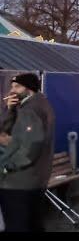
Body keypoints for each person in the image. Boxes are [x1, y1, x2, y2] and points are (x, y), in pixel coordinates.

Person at [0, 73, 55, 232]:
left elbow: (31, 145)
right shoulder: (37, 105)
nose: (12, 90)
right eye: (12, 86)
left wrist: (7, 166)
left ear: (29, 89)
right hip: (35, 178)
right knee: (33, 223)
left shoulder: (30, 110)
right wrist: (9, 109)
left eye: (17, 86)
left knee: (18, 225)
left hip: (19, 181)